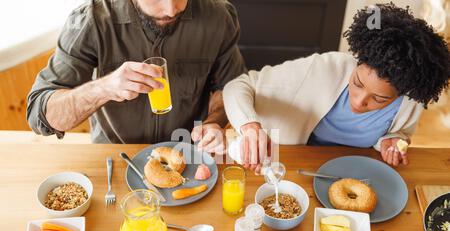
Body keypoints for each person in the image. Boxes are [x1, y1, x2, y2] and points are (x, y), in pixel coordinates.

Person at [223, 3, 450, 172]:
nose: (360, 101)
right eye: (358, 83)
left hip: (356, 172)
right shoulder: (324, 68)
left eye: (379, 99)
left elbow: (398, 133)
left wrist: (389, 141)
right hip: (291, 166)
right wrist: (249, 126)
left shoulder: (411, 103)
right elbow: (239, 85)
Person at [27, 0, 246, 154]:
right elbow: (41, 113)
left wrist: (213, 123)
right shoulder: (92, 19)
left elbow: (230, 86)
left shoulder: (218, 16)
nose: (171, 9)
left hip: (189, 155)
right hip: (116, 157)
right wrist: (103, 89)